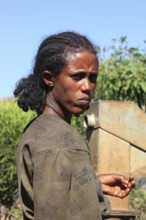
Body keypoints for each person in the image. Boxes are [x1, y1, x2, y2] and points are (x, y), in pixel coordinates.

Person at [14, 31, 135, 220]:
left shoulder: (40, 129)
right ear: (49, 78)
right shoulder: (60, 142)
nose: (87, 87)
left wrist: (91, 184)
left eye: (92, 78)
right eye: (77, 76)